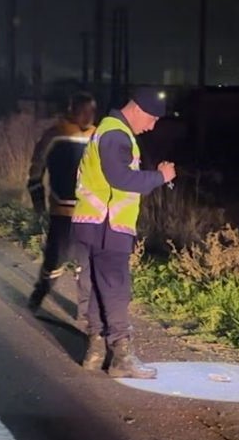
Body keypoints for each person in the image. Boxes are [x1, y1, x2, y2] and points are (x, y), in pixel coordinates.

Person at [71, 87, 175, 378]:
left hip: (90, 222)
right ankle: (122, 357)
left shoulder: (106, 129)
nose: (152, 126)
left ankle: (95, 351)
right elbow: (120, 178)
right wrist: (160, 177)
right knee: (116, 289)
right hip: (109, 225)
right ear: (138, 110)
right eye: (152, 119)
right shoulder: (117, 134)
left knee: (97, 287)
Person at [26, 91, 98, 313]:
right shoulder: (54, 135)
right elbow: (36, 173)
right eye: (83, 111)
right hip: (62, 212)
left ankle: (86, 313)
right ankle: (40, 293)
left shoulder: (99, 137)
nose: (88, 116)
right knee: (55, 260)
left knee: (88, 265)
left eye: (91, 111)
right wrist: (39, 205)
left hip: (92, 213)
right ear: (72, 110)